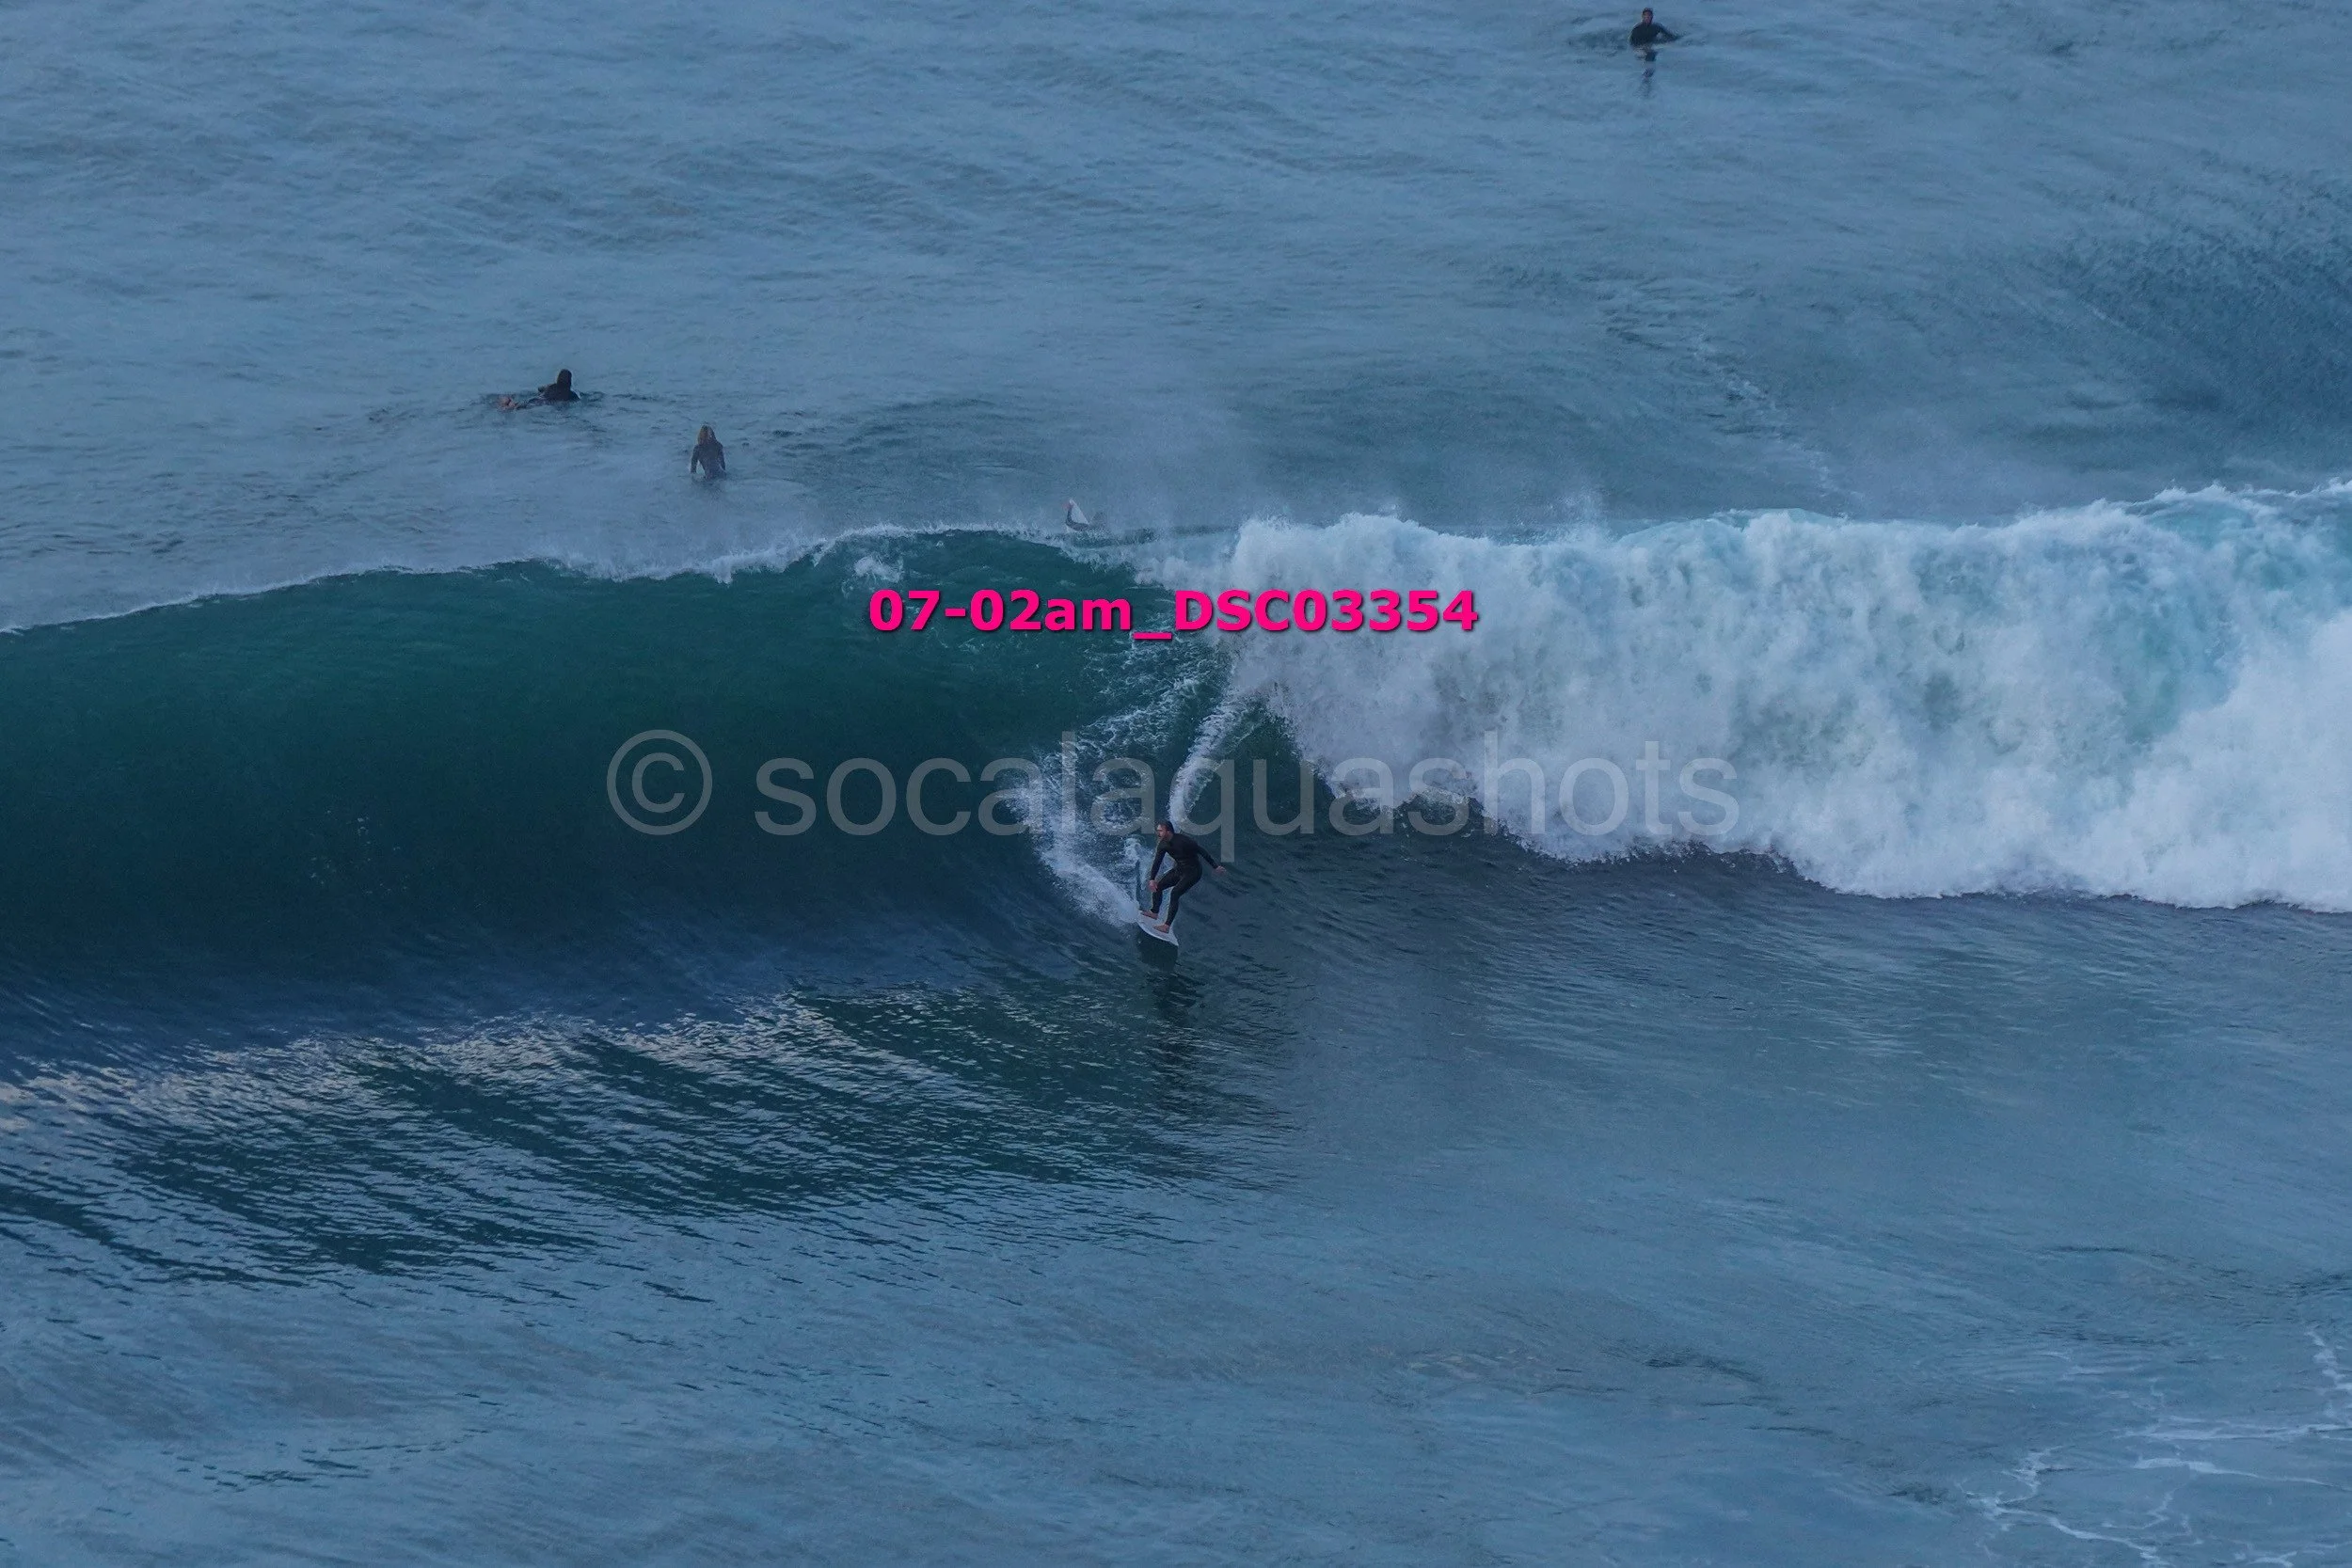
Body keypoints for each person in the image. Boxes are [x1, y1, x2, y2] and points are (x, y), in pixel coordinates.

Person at [1141, 819, 1224, 932]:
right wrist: (1152, 879)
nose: (1158, 833)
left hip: (1193, 872)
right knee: (1158, 886)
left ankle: (1166, 926)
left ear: (1168, 831)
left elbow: (1201, 851)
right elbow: (1157, 861)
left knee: (1175, 893)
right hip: (1179, 870)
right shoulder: (1163, 844)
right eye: (1157, 831)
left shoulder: (1183, 840)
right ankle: (1154, 912)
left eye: (1160, 831)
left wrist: (1215, 866)